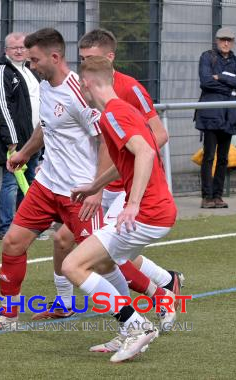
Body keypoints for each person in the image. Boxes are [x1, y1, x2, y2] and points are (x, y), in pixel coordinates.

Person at [33, 28, 183, 323]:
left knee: (97, 256)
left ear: (106, 61)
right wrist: (94, 184)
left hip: (132, 193)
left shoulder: (123, 97)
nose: (81, 72)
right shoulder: (103, 105)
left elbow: (153, 142)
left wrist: (132, 198)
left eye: (89, 60)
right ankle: (151, 297)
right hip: (116, 187)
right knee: (69, 241)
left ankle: (147, 306)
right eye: (82, 59)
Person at [0, 28, 113, 329]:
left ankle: (159, 287)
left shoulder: (79, 90)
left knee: (103, 261)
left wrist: (96, 190)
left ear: (55, 56)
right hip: (47, 186)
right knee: (12, 243)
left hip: (78, 192)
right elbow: (46, 126)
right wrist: (25, 153)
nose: (31, 66)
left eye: (35, 60)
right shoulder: (47, 86)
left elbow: (105, 140)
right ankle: (7, 314)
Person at [63, 55, 177, 362]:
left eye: (79, 85)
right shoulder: (118, 112)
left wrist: (134, 204)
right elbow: (129, 158)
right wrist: (94, 186)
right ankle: (132, 327)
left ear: (87, 84)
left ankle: (136, 325)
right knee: (103, 264)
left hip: (148, 212)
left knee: (72, 266)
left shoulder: (113, 114)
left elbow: (144, 153)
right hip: (156, 211)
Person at [0, 32, 41, 240]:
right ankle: (6, 229)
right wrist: (11, 139)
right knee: (10, 184)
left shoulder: (31, 71)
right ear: (5, 50)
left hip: (34, 139)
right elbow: (2, 106)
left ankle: (30, 226)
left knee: (32, 181)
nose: (18, 51)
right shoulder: (0, 71)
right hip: (16, 140)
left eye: (22, 47)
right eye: (14, 47)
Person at [195, 27, 236, 209]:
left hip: (229, 115)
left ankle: (217, 195)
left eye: (229, 40)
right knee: (209, 155)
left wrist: (221, 77)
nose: (226, 43)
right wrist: (230, 87)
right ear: (217, 41)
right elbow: (206, 81)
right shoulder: (207, 57)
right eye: (223, 40)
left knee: (224, 158)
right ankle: (207, 196)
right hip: (211, 113)